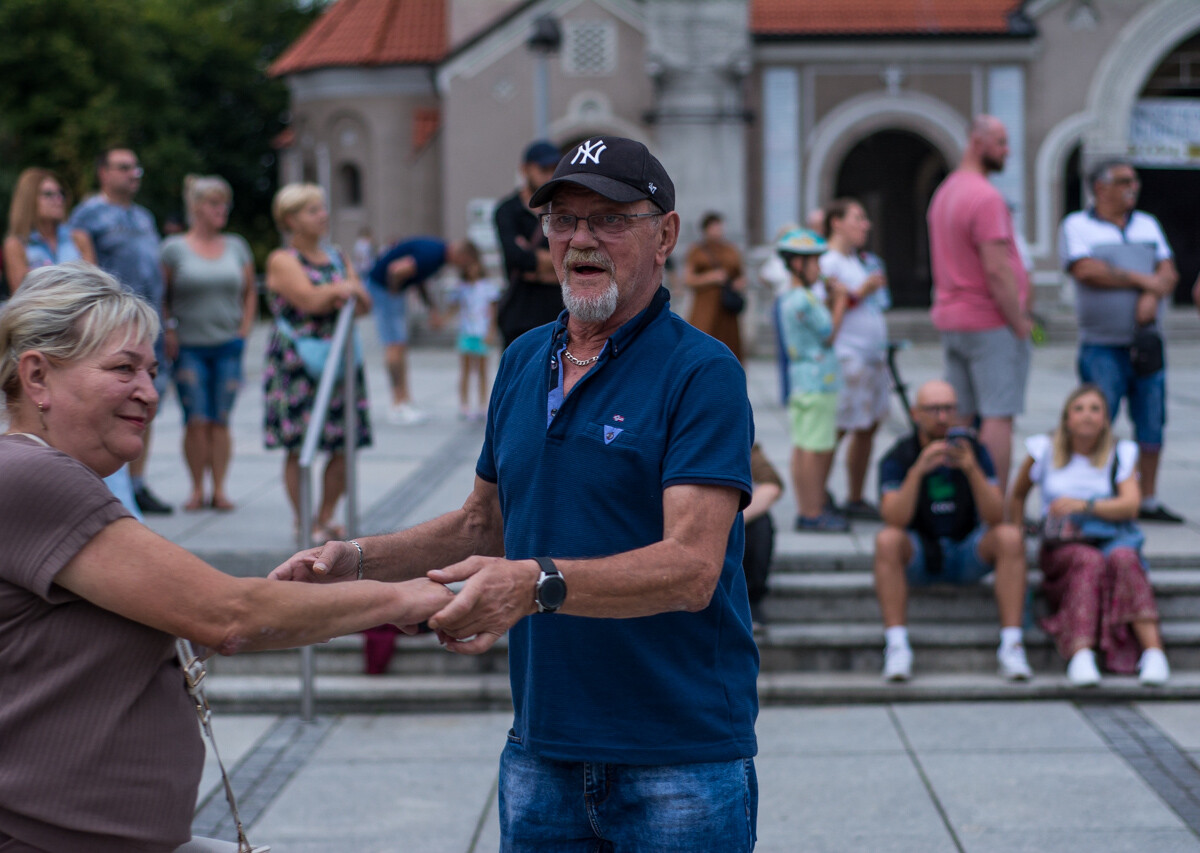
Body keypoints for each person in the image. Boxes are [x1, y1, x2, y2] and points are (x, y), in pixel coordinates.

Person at [271, 136, 760, 850]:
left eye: (610, 218)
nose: (581, 239)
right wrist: (356, 557)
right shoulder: (526, 356)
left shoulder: (701, 370)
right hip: (540, 749)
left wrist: (535, 583)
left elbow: (691, 568)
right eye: (563, 220)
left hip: (677, 755)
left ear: (666, 235)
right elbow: (483, 522)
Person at [0, 262, 454, 853]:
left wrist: (308, 602)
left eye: (154, 372)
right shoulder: (33, 476)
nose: (149, 392)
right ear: (36, 376)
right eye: (123, 369)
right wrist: (408, 596)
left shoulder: (43, 478)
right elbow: (228, 615)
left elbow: (168, 622)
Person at [1008, 385, 1169, 687]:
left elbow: (1131, 505)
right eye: (1079, 408)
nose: (1087, 416)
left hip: (1111, 537)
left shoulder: (1121, 453)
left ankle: (1153, 651)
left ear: (1106, 419)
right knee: (1088, 561)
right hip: (1064, 545)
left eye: (1095, 409)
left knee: (1124, 558)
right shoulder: (1043, 449)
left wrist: (1085, 505)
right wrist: (1017, 534)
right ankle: (1080, 652)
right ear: (1066, 418)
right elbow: (1016, 496)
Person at [874, 379, 1031, 682]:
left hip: (965, 551)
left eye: (948, 409)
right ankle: (896, 646)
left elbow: (997, 515)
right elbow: (894, 518)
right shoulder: (900, 455)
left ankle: (1012, 645)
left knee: (1010, 537)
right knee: (886, 540)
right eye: (933, 409)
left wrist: (972, 469)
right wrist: (918, 470)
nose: (942, 417)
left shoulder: (974, 450)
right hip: (920, 550)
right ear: (916, 413)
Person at [1058, 159, 1182, 524]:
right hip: (1102, 343)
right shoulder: (1077, 225)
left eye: (1135, 180)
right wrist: (1143, 282)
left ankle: (1147, 497)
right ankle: (1091, 489)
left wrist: (1151, 293)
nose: (1134, 187)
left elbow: (1168, 271)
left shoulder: (1148, 224)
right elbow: (1086, 270)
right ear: (1100, 187)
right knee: (1095, 419)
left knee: (1152, 420)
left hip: (1146, 341)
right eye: (1124, 180)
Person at [927, 116, 1033, 495]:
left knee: (960, 418)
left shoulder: (945, 192)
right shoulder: (986, 197)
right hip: (989, 321)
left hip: (953, 319)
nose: (1007, 151)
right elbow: (997, 269)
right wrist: (1019, 321)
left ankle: (963, 499)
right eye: (1001, 142)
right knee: (998, 415)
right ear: (977, 142)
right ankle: (995, 504)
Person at [264, 183, 373, 543]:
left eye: (322, 208)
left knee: (345, 441)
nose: (323, 215)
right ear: (291, 219)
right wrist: (340, 291)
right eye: (313, 210)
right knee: (299, 443)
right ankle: (304, 519)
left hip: (341, 359)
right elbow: (308, 300)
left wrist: (344, 292)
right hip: (297, 361)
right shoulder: (282, 260)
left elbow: (364, 303)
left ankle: (326, 516)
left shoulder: (337, 256)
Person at [68, 147, 174, 515]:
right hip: (114, 331)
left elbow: (157, 274)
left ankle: (137, 484)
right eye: (125, 167)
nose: (134, 174)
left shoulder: (143, 216)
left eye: (136, 167)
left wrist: (168, 322)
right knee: (112, 403)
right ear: (103, 173)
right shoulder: (88, 214)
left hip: (151, 328)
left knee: (148, 402)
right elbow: (86, 272)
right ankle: (107, 482)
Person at [160, 175, 257, 512]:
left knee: (221, 419)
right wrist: (168, 329)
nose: (222, 210)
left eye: (225, 204)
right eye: (215, 204)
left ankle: (220, 489)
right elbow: (162, 294)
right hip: (189, 346)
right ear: (197, 207)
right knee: (196, 418)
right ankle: (196, 488)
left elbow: (250, 292)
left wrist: (245, 330)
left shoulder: (236, 246)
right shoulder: (173, 248)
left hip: (228, 343)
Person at [821, 198, 890, 520]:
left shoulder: (857, 260)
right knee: (837, 427)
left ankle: (855, 496)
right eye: (858, 217)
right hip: (847, 356)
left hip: (872, 356)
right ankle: (817, 493)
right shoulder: (827, 261)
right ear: (836, 222)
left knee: (867, 425)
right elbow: (821, 312)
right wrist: (860, 291)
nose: (866, 224)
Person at [777, 226, 849, 533]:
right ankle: (812, 510)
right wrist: (841, 301)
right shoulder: (804, 299)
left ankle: (809, 507)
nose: (819, 269)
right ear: (798, 264)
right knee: (814, 448)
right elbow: (829, 335)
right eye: (814, 262)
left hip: (803, 379)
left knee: (803, 446)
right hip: (818, 380)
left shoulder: (791, 297)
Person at [365, 235, 470, 425]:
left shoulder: (436, 255)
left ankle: (404, 400)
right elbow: (397, 270)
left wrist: (431, 308)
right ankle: (397, 404)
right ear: (459, 254)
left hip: (387, 289)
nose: (462, 268)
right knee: (394, 345)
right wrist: (394, 293)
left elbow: (417, 278)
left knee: (399, 345)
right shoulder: (433, 254)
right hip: (384, 289)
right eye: (464, 263)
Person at [493, 139, 565, 349]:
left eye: (555, 169)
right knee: (517, 378)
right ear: (525, 169)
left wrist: (538, 265)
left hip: (559, 314)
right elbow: (517, 258)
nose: (549, 175)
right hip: (518, 314)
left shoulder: (564, 211)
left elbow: (572, 258)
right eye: (543, 168)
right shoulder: (507, 210)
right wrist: (556, 268)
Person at [3, 167, 94, 289]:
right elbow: (22, 295)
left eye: (61, 193)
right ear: (29, 199)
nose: (58, 199)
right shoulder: (16, 245)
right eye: (48, 194)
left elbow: (94, 285)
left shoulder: (79, 238)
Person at [445, 239, 501, 420]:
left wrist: (491, 331)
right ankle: (464, 403)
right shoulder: (461, 288)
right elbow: (453, 307)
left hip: (482, 332)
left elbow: (492, 311)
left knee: (483, 370)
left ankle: (483, 404)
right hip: (466, 332)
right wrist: (442, 319)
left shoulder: (488, 287)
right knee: (466, 370)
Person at [684, 211, 748, 362]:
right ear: (706, 229)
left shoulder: (731, 250)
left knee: (729, 347)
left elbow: (741, 277)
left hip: (726, 309)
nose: (718, 230)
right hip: (705, 308)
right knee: (701, 345)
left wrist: (737, 284)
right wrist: (711, 277)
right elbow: (688, 279)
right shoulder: (696, 251)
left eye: (720, 226)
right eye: (714, 227)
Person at [744, 444, 784, 627]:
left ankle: (751, 600)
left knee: (761, 522)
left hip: (729, 521)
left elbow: (772, 486)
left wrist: (731, 521)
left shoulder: (739, 441)